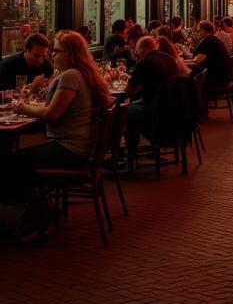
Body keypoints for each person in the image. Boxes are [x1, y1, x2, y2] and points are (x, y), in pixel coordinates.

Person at [12, 30, 114, 241]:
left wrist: (23, 107)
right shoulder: (82, 73)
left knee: (16, 162)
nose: (52, 55)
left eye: (56, 51)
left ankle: (43, 213)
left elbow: (51, 113)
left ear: (70, 53)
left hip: (71, 149)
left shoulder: (71, 76)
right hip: (84, 146)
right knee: (22, 159)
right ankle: (41, 209)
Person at [124, 35, 183, 160]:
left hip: (156, 112)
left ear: (144, 49)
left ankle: (130, 153)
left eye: (137, 49)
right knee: (133, 106)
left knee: (125, 111)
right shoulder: (169, 58)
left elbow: (130, 90)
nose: (135, 52)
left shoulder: (145, 62)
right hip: (175, 110)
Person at [188, 21, 230, 87]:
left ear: (205, 30)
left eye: (200, 30)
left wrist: (181, 62)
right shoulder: (214, 39)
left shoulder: (208, 42)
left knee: (185, 80)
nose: (198, 32)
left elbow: (197, 62)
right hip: (223, 76)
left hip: (215, 79)